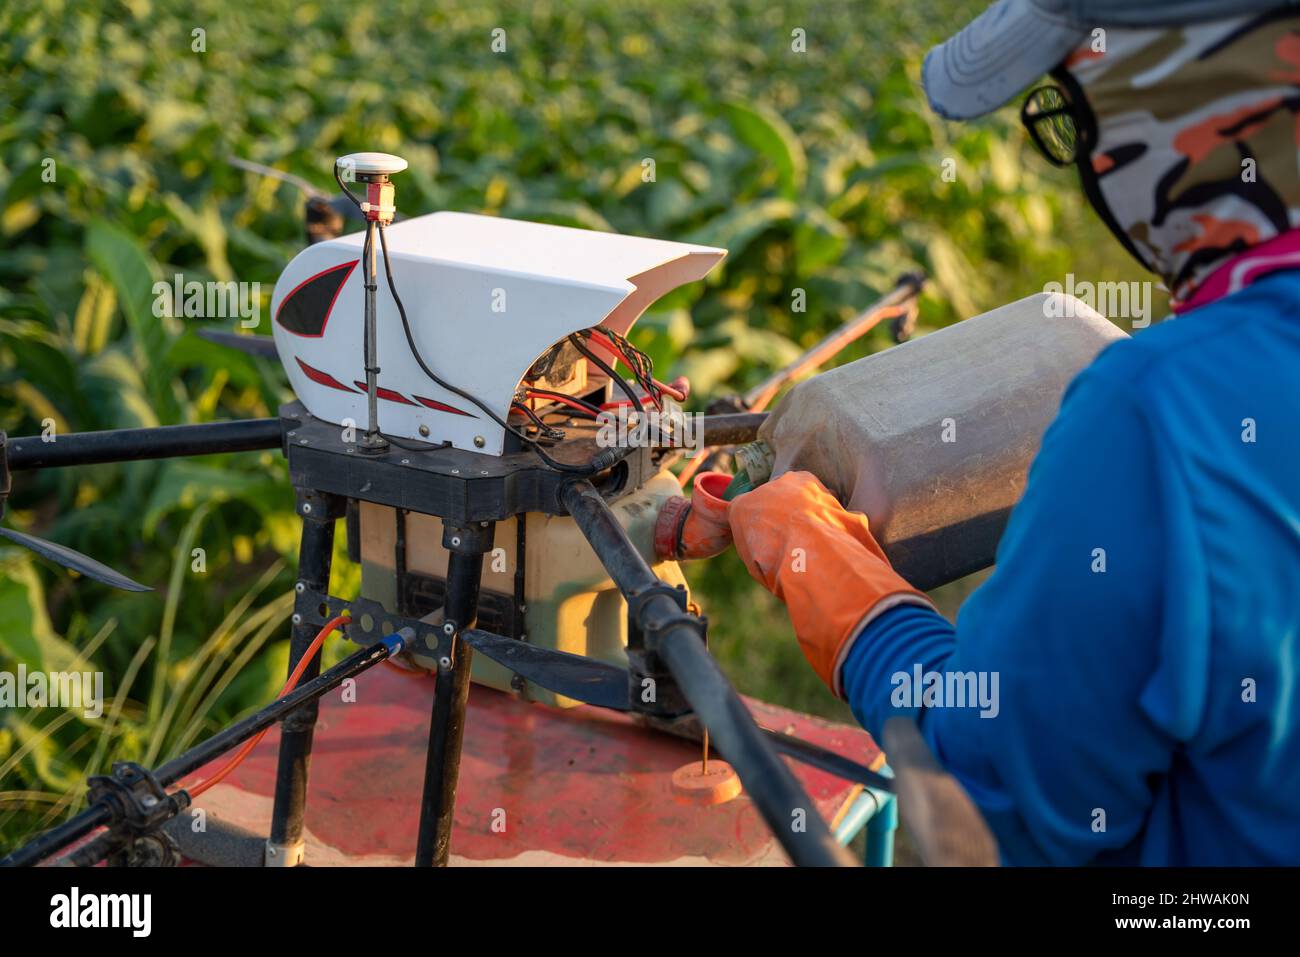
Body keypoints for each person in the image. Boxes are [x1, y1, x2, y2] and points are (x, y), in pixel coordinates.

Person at [727, 0, 1300, 865]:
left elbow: (993, 812)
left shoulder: (1157, 414)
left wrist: (850, 602)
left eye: (1079, 113)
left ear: (1177, 98)